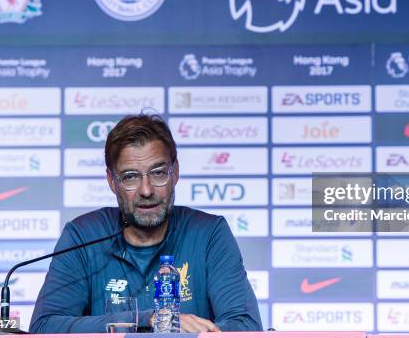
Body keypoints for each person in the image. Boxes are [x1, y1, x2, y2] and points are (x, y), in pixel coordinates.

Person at [29, 113, 262, 333]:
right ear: (112, 181)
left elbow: (246, 325)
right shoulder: (83, 236)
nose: (146, 190)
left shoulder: (209, 233)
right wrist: (151, 319)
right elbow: (45, 326)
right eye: (130, 177)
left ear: (175, 173)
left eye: (158, 173)